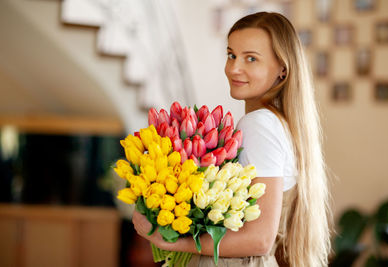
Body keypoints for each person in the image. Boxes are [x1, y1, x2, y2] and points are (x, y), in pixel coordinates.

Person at [132, 11, 331, 267]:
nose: (234, 68)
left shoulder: (260, 124)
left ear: (282, 69)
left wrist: (170, 241)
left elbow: (259, 239)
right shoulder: (278, 122)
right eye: (231, 55)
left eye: (251, 59)